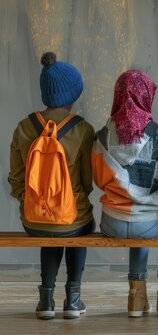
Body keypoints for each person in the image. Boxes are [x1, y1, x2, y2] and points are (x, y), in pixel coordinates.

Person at [93, 70, 158, 318]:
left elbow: (98, 180)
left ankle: (136, 298)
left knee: (138, 222)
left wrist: (127, 196)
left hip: (111, 222)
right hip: (149, 223)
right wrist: (146, 199)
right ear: (146, 97)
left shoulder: (102, 135)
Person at [8, 52, 95, 320]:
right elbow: (86, 181)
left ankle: (46, 300)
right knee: (79, 226)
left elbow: (16, 178)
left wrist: (29, 199)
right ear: (72, 95)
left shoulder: (24, 126)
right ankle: (73, 299)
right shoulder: (83, 129)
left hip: (33, 219)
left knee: (49, 227)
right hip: (73, 218)